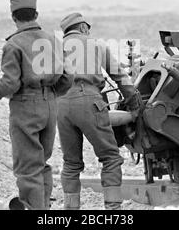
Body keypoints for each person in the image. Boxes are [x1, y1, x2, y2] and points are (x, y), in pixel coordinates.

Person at [0, 0, 72, 210]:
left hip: (25, 106)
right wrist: (50, 93)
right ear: (36, 14)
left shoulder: (14, 44)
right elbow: (68, 78)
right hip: (50, 104)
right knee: (42, 163)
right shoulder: (53, 40)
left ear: (13, 17)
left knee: (28, 167)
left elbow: (10, 84)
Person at [57, 12, 140, 210]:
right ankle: (113, 210)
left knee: (70, 163)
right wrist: (134, 106)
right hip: (89, 101)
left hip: (62, 105)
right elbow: (120, 77)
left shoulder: (54, 49)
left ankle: (70, 210)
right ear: (84, 28)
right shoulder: (96, 44)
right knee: (110, 157)